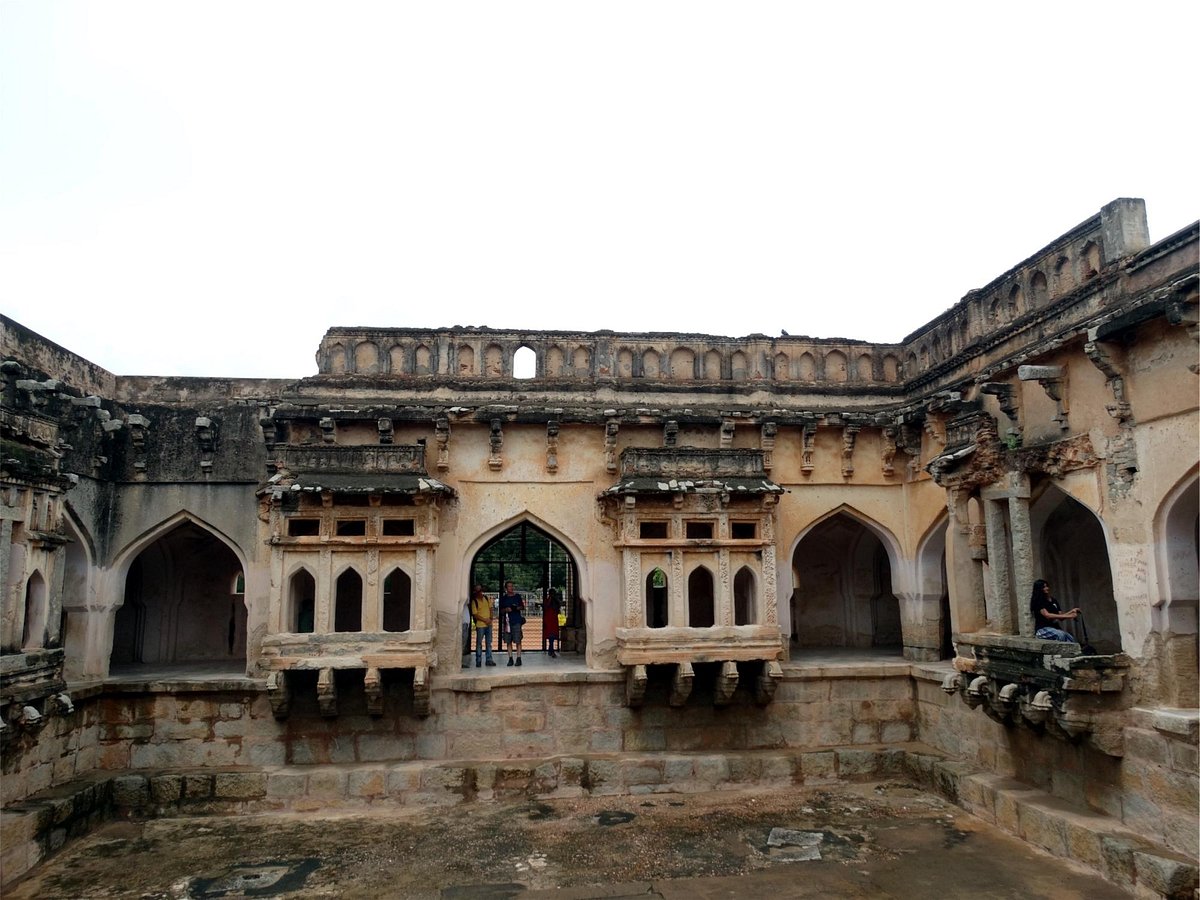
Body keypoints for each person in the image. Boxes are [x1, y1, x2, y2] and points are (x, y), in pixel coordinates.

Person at [499, 580, 525, 666]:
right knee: (508, 640)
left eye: (512, 586)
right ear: (506, 588)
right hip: (507, 622)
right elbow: (501, 610)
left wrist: (516, 608)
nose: (511, 588)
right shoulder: (503, 598)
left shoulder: (517, 596)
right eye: (509, 586)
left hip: (516, 620)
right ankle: (510, 658)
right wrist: (506, 609)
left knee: (518, 640)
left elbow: (522, 607)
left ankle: (519, 658)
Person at [469, 584, 496, 667]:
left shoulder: (486, 598)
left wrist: (490, 618)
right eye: (478, 591)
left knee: (488, 643)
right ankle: (479, 660)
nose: (480, 592)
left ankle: (489, 659)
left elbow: (491, 608)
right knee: (479, 643)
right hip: (480, 624)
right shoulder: (474, 601)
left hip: (488, 624)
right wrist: (486, 620)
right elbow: (475, 614)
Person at [543, 588, 561, 658]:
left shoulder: (555, 601)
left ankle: (551, 650)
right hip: (549, 619)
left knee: (552, 635)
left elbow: (558, 608)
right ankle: (551, 650)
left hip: (552, 619)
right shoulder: (548, 600)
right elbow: (546, 607)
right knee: (551, 635)